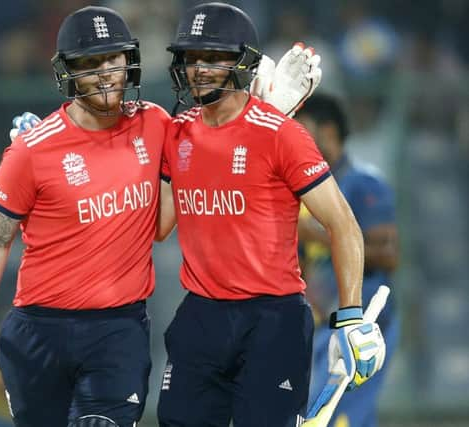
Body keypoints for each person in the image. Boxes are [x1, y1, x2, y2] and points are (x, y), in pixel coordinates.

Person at [0, 5, 321, 427]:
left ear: (128, 60)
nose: (105, 73)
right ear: (67, 71)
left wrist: (274, 112)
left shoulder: (154, 124)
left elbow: (212, 152)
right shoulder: (30, 150)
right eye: (90, 63)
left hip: (119, 328)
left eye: (113, 59)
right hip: (38, 331)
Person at [154, 3, 386, 427]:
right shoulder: (177, 133)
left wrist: (351, 317)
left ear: (242, 62)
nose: (199, 68)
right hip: (200, 316)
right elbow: (159, 226)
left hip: (272, 319)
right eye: (191, 57)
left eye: (213, 57)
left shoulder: (282, 135)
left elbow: (343, 224)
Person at [296, 93, 400, 427]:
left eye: (303, 129)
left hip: (361, 318)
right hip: (319, 319)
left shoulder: (363, 183)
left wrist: (319, 234)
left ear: (327, 132)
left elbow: (388, 255)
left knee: (343, 416)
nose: (295, 138)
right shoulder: (304, 186)